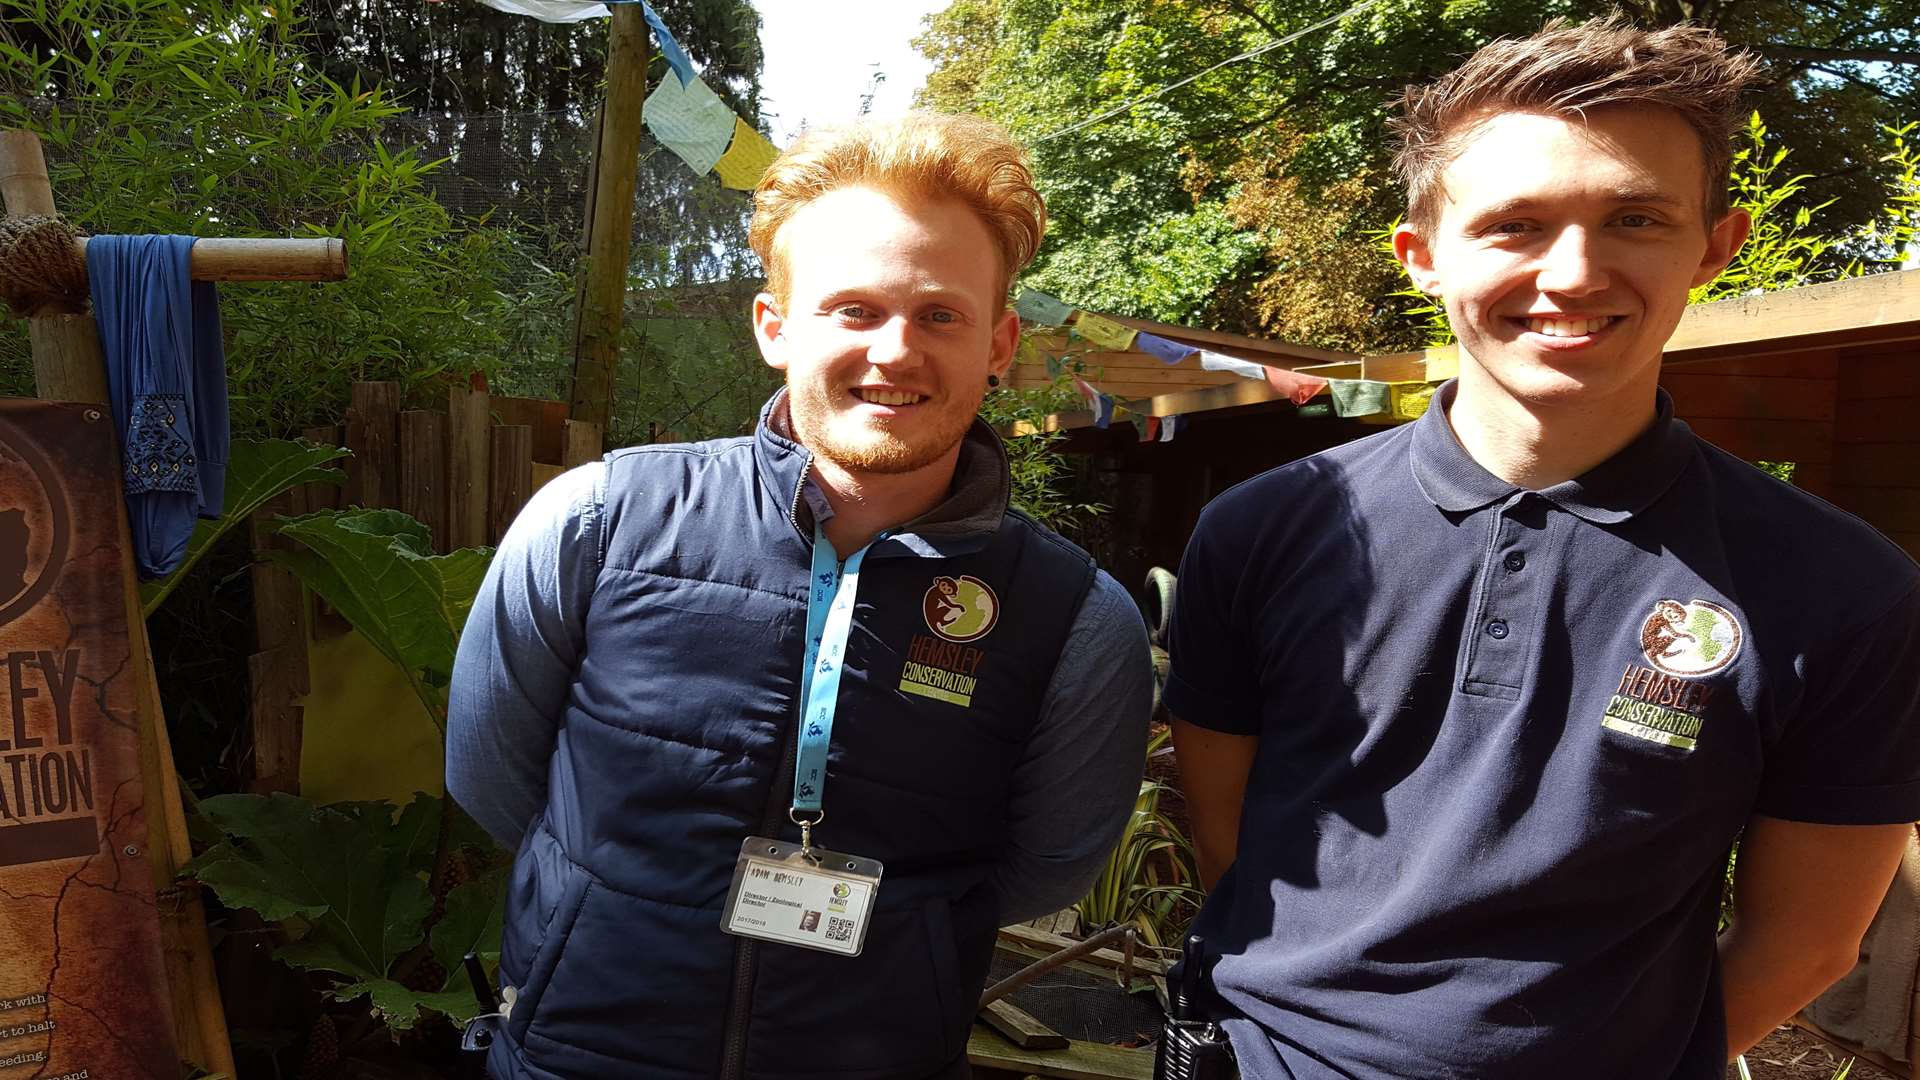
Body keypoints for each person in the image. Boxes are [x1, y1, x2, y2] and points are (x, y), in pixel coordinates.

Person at [1164, 19, 1920, 1079]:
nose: (1573, 273)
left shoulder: (1843, 589)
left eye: (1636, 218)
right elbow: (1233, 842)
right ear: (1422, 255)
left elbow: (1807, 942)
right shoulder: (1263, 529)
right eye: (1515, 224)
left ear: (1715, 244)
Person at [446, 112, 1153, 1079]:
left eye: (940, 314)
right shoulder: (597, 522)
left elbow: (1050, 867)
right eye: (853, 310)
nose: (896, 352)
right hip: (577, 1053)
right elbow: (491, 774)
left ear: (999, 342)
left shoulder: (1077, 619)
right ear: (775, 328)